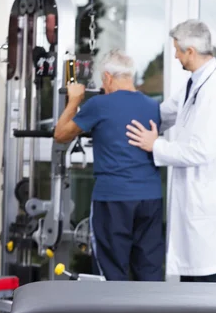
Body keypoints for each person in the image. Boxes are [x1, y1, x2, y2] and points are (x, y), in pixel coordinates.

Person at [125, 19, 216, 283]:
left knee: (207, 291)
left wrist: (154, 145)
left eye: (178, 50)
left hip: (209, 208)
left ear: (190, 51)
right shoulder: (196, 82)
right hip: (197, 204)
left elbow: (201, 151)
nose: (176, 55)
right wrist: (128, 103)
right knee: (193, 286)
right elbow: (166, 111)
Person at [54, 49, 164, 282]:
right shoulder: (153, 106)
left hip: (114, 199)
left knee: (111, 274)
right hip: (150, 198)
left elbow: (61, 134)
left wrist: (74, 99)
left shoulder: (99, 105)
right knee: (150, 272)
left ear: (107, 77)